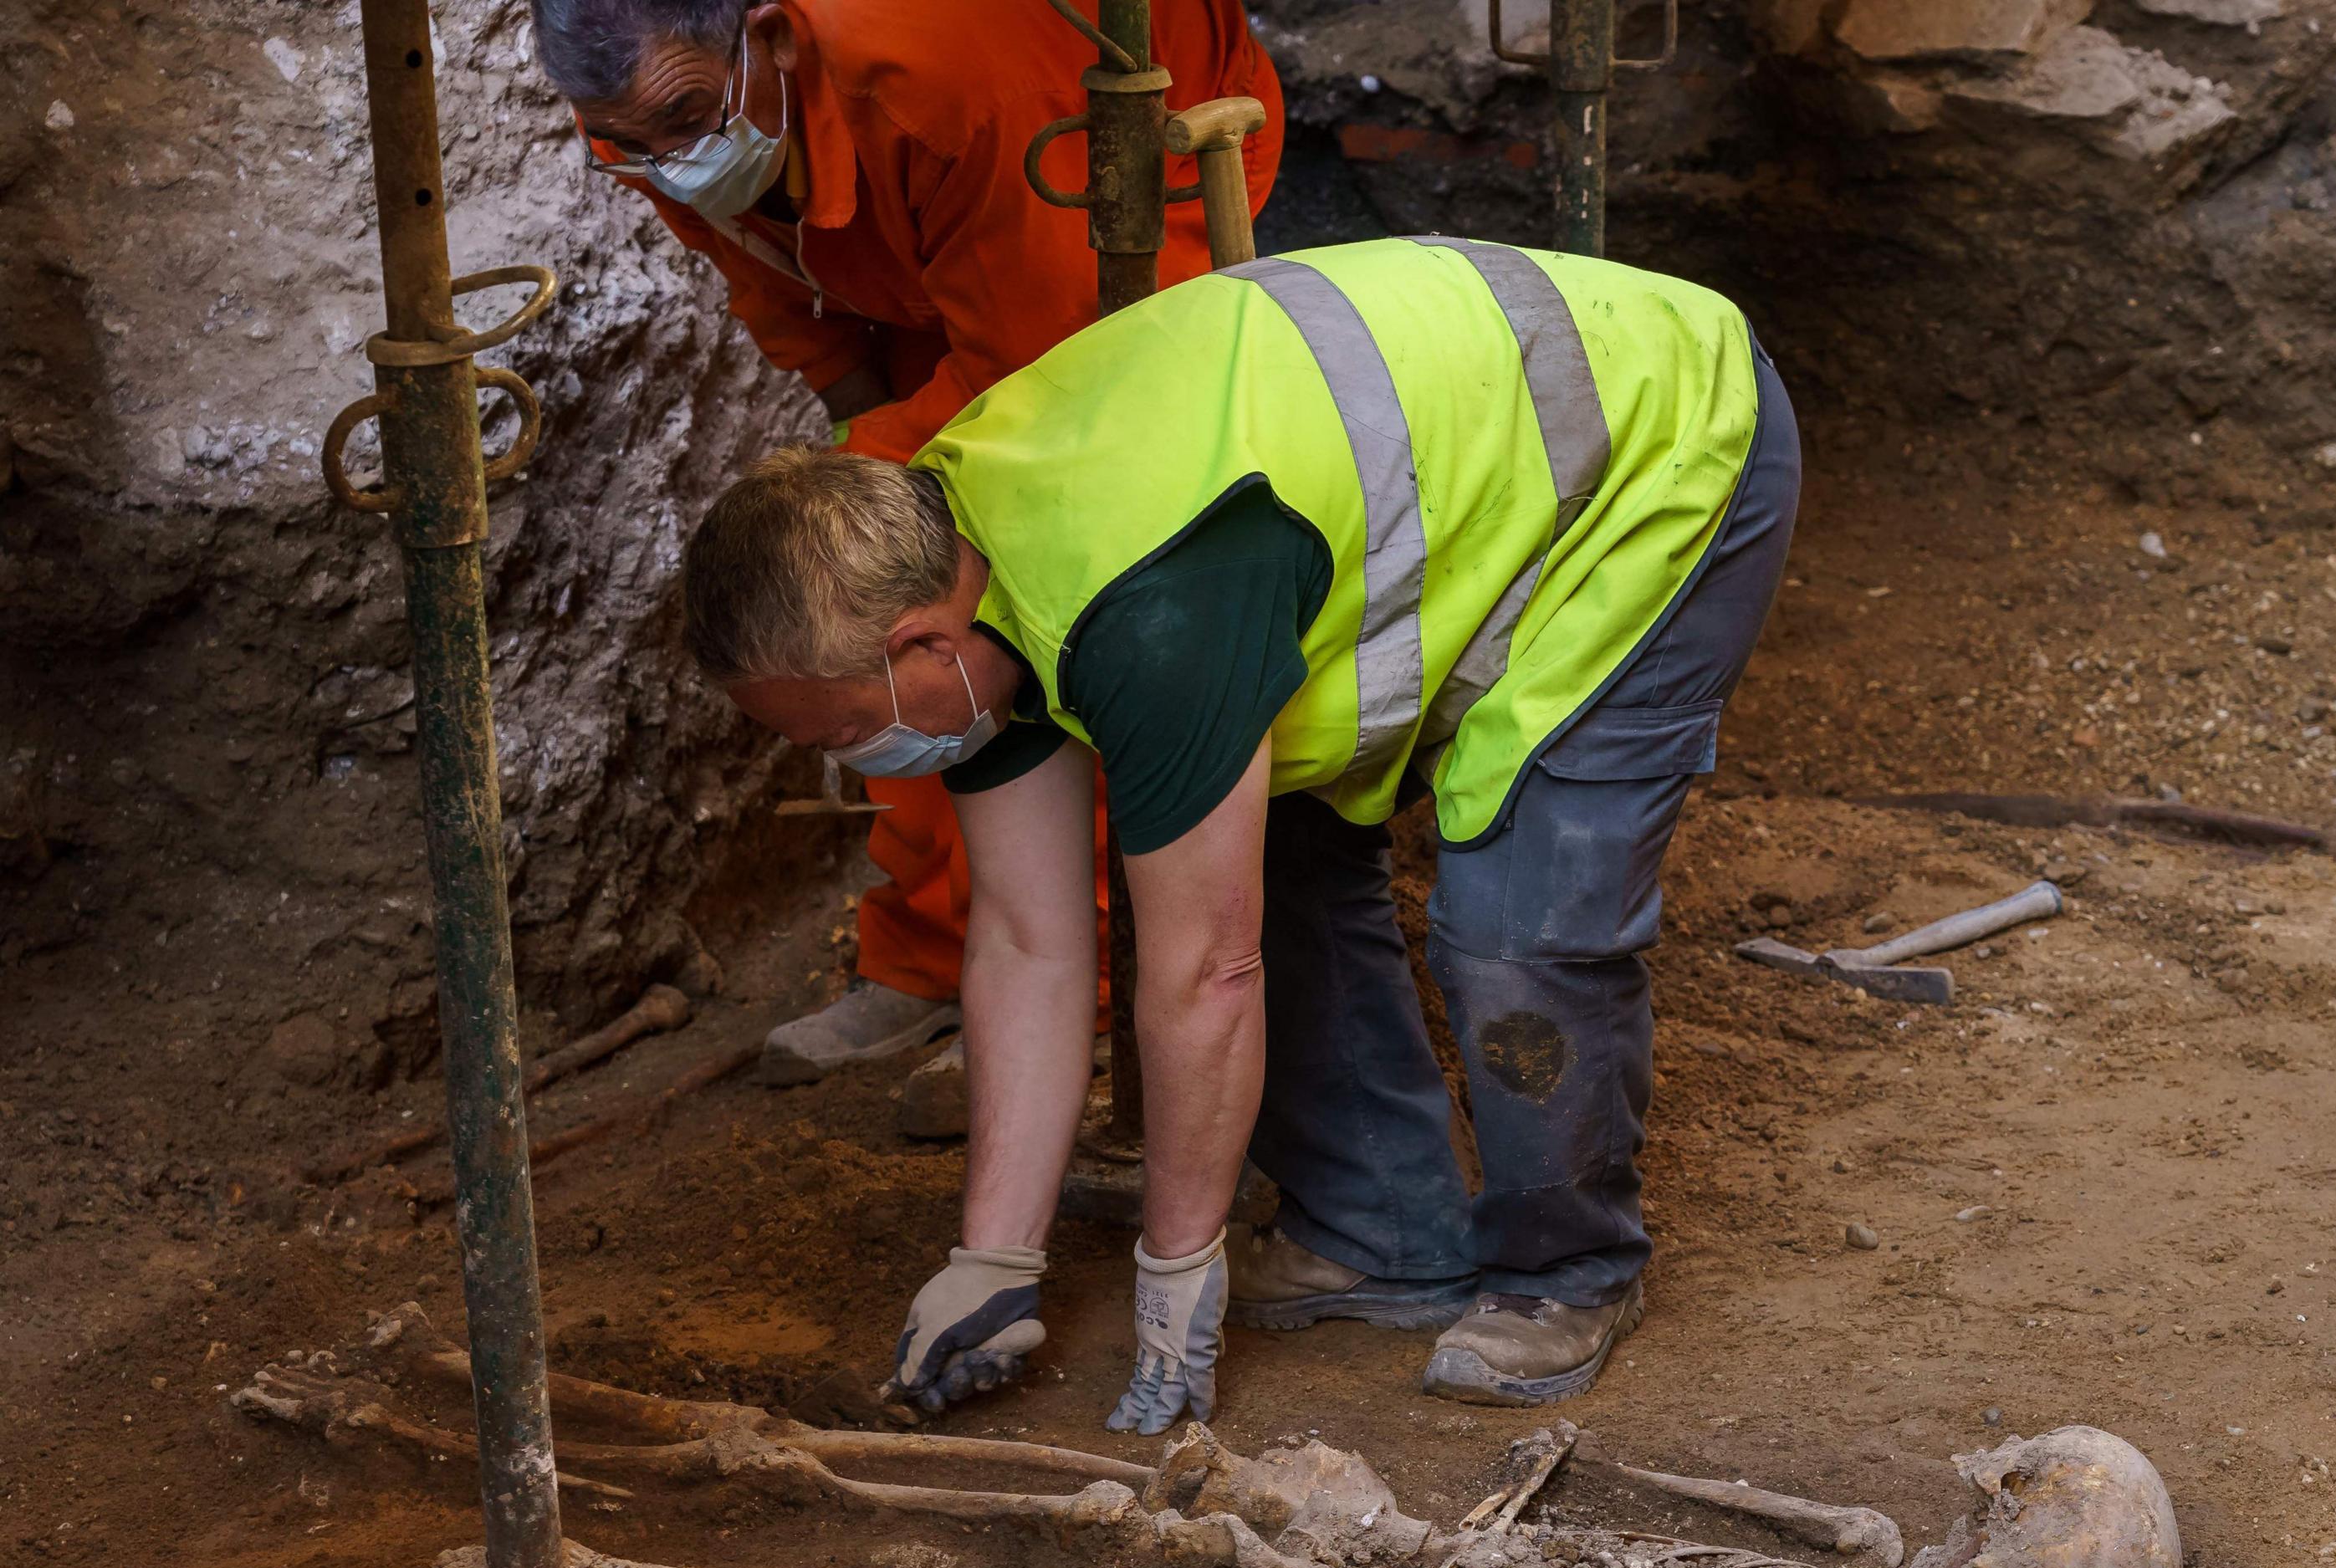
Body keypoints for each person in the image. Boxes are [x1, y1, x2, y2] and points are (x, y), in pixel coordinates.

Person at [676, 237, 1800, 1431]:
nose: (842, 761)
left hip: (1655, 443)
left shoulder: (1145, 611)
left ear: (917, 649)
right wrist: (992, 1264)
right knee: (1261, 865)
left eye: (838, 730)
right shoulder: (958, 577)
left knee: (1518, 917)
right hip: (1439, 461)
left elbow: (1206, 976)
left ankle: (1567, 1272)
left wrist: (1176, 1276)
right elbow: (1026, 939)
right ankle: (1380, 1236)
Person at [533, 0, 1281, 1096]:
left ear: (773, 38)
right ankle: (939, 958)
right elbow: (780, 287)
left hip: (1091, 189)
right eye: (629, 149)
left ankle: (1100, 984)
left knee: (1059, 580)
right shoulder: (658, 118)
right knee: (884, 606)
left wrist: (875, 477)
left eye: (685, 122)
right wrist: (864, 462)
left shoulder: (951, 86)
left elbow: (1047, 370)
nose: (664, 167)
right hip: (916, 228)